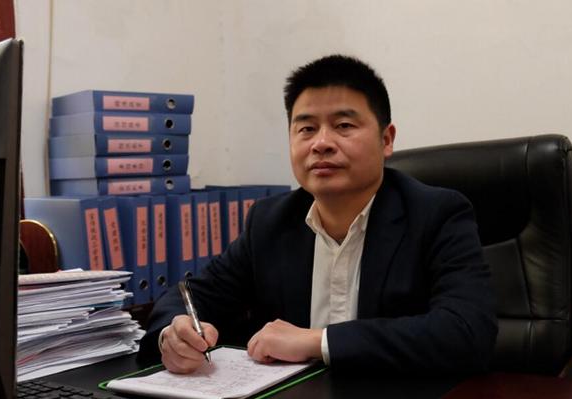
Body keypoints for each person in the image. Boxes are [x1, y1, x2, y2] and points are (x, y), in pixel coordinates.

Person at [139, 54, 498, 374]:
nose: (321, 143)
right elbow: (191, 296)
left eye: (344, 126)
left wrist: (318, 341)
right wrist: (174, 332)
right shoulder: (270, 221)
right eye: (306, 129)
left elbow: (467, 332)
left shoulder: (437, 214)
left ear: (386, 139)